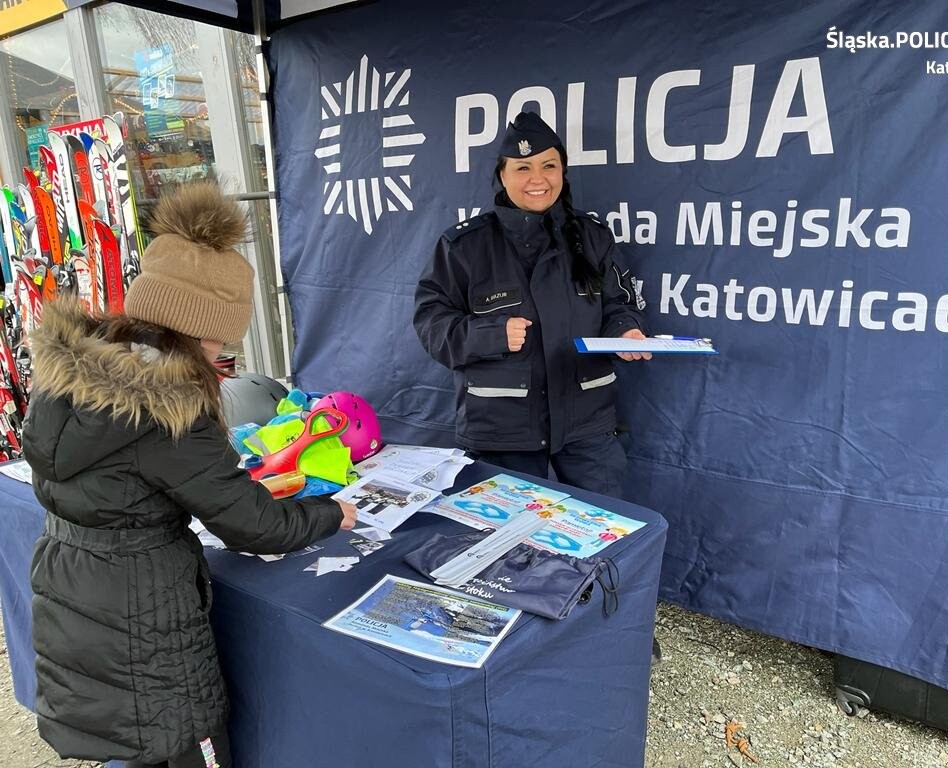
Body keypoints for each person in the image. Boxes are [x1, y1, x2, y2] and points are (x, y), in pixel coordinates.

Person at [22, 182, 358, 768]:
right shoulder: (167, 405)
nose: (221, 355)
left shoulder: (75, 371)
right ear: (195, 327)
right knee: (186, 745)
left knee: (136, 744)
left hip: (78, 590)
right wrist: (332, 513)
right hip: (145, 615)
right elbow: (254, 525)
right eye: (219, 340)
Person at [414, 111, 650, 498]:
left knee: (606, 527)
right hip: (502, 431)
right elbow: (431, 324)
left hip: (586, 424)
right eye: (523, 168)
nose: (538, 179)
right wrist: (492, 334)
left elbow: (618, 304)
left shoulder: (592, 237)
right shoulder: (465, 246)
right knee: (506, 534)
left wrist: (625, 331)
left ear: (563, 172)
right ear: (502, 176)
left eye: (549, 166)